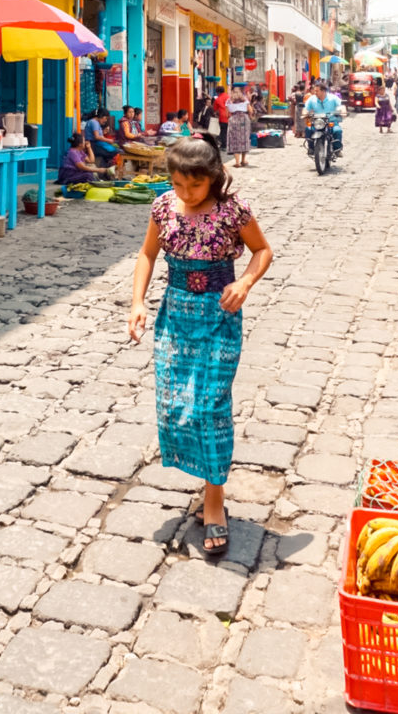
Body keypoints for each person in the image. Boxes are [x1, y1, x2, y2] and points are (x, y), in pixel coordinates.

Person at [128, 136, 273, 556]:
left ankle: (214, 504)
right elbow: (146, 255)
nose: (186, 194)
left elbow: (262, 250)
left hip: (218, 317)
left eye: (194, 186)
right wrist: (137, 302)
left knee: (210, 408)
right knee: (176, 407)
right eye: (178, 185)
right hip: (174, 316)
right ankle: (202, 481)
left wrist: (244, 282)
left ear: (212, 178)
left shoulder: (233, 210)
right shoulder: (161, 207)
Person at [303, 81, 344, 155]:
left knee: (337, 131)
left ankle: (337, 149)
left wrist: (343, 112)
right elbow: (306, 108)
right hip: (317, 123)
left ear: (323, 91)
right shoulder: (312, 99)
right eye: (315, 91)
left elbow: (341, 106)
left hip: (331, 122)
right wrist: (304, 114)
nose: (315, 92)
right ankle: (311, 148)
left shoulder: (333, 98)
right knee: (308, 129)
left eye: (317, 91)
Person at [225, 87, 253, 168]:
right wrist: (250, 116)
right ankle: (243, 160)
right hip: (244, 119)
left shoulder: (229, 101)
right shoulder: (245, 99)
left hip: (233, 119)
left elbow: (227, 114)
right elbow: (250, 110)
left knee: (235, 139)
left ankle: (237, 162)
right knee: (244, 139)